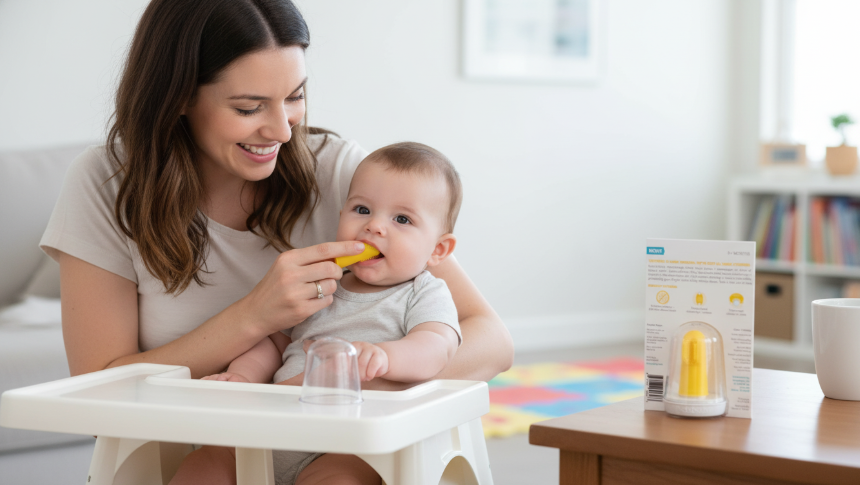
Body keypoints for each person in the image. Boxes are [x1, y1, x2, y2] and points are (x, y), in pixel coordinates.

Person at [40, 0, 512, 483]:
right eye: (249, 107)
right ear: (178, 95)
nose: (284, 130)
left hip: (342, 443)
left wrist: (347, 385)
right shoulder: (106, 184)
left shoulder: (343, 177)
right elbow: (97, 392)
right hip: (191, 454)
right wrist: (254, 316)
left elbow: (489, 340)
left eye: (295, 96)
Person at [173, 142, 463, 484]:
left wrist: (386, 356)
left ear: (438, 249)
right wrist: (243, 377)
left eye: (402, 219)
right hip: (271, 429)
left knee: (340, 478)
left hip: (346, 443)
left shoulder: (423, 292)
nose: (375, 227)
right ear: (341, 216)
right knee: (203, 463)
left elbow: (437, 345)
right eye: (362, 210)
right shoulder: (321, 282)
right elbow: (275, 343)